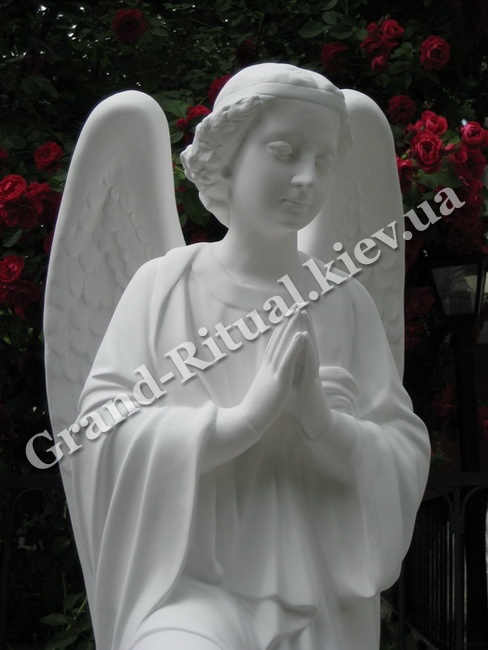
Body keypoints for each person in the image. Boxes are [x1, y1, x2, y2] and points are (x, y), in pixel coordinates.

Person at [71, 63, 430, 649]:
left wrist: (323, 424)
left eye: (324, 161)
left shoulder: (345, 302)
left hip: (319, 588)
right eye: (284, 152)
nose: (306, 178)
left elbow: (402, 450)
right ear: (228, 158)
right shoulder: (164, 288)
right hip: (190, 586)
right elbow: (98, 433)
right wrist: (244, 422)